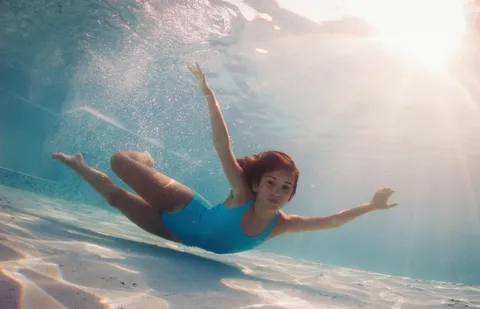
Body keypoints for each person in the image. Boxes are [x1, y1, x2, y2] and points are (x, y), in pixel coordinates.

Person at [51, 63, 398, 254]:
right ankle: (146, 160)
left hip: (176, 236)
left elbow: (332, 221)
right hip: (183, 207)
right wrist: (209, 95)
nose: (277, 191)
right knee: (119, 163)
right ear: (258, 185)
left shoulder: (282, 225)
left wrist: (371, 205)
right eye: (271, 183)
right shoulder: (242, 196)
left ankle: (78, 165)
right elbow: (223, 147)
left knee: (115, 198)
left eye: (286, 187)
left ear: (292, 194)